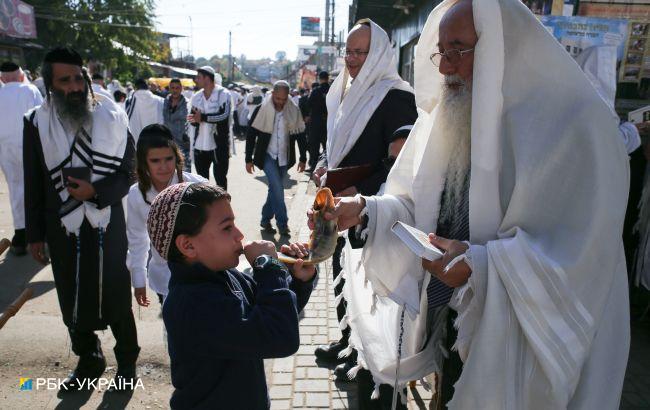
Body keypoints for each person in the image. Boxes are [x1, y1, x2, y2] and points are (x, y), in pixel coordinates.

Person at [318, 0, 630, 408]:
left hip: (520, 350)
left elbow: (582, 259)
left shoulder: (576, 125)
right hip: (455, 323)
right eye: (441, 51)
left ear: (503, 46)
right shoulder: (450, 114)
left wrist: (481, 265)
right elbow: (422, 206)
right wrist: (366, 209)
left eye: (459, 49)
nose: (445, 67)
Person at [311, 20, 417, 408]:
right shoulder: (342, 91)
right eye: (350, 51)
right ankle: (349, 345)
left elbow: (401, 163)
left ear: (381, 54)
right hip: (342, 206)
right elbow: (334, 144)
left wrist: (362, 189)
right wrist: (325, 166)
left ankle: (378, 372)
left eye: (362, 52)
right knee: (342, 275)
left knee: (372, 292)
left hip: (374, 213)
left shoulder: (397, 97)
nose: (354, 60)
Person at [24, 47, 140, 391]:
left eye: (79, 78)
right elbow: (32, 182)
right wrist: (34, 234)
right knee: (72, 293)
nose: (75, 87)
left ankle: (127, 361)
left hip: (108, 221)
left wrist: (97, 192)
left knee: (116, 293)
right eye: (65, 80)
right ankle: (89, 358)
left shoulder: (113, 116)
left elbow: (130, 169)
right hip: (62, 224)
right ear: (50, 86)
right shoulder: (34, 122)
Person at [147, 181, 316, 409]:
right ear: (187, 245)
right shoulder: (191, 303)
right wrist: (269, 267)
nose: (239, 235)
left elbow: (274, 315)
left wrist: (297, 280)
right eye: (227, 228)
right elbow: (280, 336)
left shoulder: (225, 275)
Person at [127, 124, 206, 308]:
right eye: (155, 161)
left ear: (177, 156)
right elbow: (137, 239)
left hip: (202, 273)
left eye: (168, 159)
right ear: (143, 161)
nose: (163, 167)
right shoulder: (136, 194)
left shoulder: (198, 186)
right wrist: (138, 278)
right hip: (165, 277)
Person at [246, 80, 307, 236]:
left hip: (284, 157)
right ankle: (283, 224)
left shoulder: (293, 111)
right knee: (278, 188)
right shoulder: (261, 109)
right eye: (277, 98)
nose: (280, 102)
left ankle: (265, 220)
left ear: (288, 97)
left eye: (283, 99)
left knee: (274, 189)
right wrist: (248, 158)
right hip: (266, 156)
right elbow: (251, 134)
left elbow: (300, 135)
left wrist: (303, 158)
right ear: (272, 94)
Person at [0, 61, 43, 255]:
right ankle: (39, 233)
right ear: (19, 76)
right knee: (35, 186)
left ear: (2, 78)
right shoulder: (30, 90)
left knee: (15, 187)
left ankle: (21, 233)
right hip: (29, 146)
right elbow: (41, 116)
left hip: (5, 147)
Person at [188, 66, 231, 189]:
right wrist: (194, 120)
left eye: (199, 77)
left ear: (207, 78)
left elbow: (224, 115)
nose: (196, 80)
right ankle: (206, 208)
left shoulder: (224, 94)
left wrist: (203, 118)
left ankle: (223, 207)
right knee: (201, 183)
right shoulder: (196, 96)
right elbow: (193, 118)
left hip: (219, 146)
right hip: (200, 146)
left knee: (220, 180)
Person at [163, 78, 191, 172]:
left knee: (185, 172)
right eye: (172, 88)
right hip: (168, 143)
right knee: (170, 173)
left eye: (177, 88)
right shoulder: (165, 102)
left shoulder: (187, 103)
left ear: (181, 88)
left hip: (183, 143)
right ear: (169, 88)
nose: (175, 90)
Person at [125, 78, 164, 142]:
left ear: (135, 88)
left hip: (136, 141)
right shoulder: (160, 100)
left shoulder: (129, 101)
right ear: (148, 86)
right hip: (156, 140)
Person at [307, 71, 330, 171]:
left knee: (314, 145)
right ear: (328, 78)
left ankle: (313, 166)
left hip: (316, 121)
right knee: (328, 145)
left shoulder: (316, 91)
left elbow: (308, 104)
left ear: (320, 79)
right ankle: (327, 166)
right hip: (329, 122)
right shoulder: (333, 89)